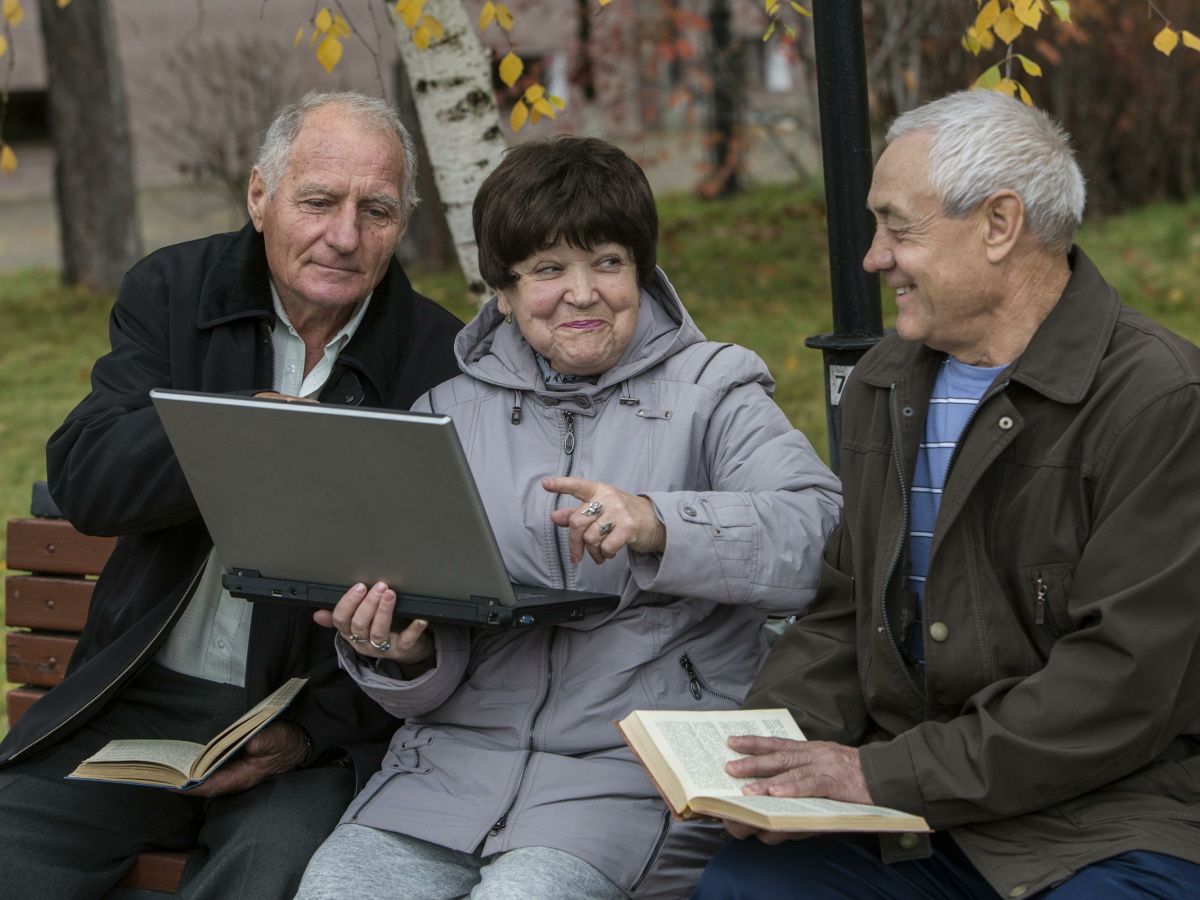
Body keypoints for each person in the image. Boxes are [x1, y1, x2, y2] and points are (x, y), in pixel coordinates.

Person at [291, 135, 843, 900]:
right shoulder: (444, 415)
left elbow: (820, 535)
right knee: (336, 889)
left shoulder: (715, 389)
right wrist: (401, 654)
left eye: (607, 262)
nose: (582, 293)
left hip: (633, 772)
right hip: (449, 771)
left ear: (640, 272)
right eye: (548, 270)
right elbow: (428, 652)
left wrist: (657, 523)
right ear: (505, 294)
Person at [691, 90, 1200, 900]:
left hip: (1107, 823)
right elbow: (841, 614)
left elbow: (1122, 686)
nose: (873, 257)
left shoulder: (1159, 401)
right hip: (912, 817)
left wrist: (877, 776)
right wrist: (764, 755)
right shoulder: (882, 386)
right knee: (743, 889)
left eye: (899, 227)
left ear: (1000, 225)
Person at [0, 91, 462, 899]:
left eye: (376, 211)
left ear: (403, 221)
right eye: (318, 200)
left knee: (271, 870)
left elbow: (450, 605)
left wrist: (309, 733)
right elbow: (88, 479)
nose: (344, 236)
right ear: (260, 196)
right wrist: (241, 438)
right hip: (139, 700)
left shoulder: (441, 357)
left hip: (306, 728)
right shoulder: (177, 291)